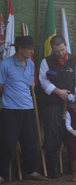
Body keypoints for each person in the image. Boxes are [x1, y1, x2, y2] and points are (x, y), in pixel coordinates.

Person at [0, 36, 47, 183]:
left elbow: (29, 86)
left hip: (28, 109)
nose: (32, 52)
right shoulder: (5, 65)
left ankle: (30, 171)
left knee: (30, 142)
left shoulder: (31, 64)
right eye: (30, 49)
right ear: (21, 49)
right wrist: (9, 100)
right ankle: (0, 173)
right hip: (10, 110)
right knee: (7, 143)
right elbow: (0, 87)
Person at [39, 35, 76, 178]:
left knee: (72, 135)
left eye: (62, 50)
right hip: (53, 104)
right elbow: (43, 81)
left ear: (66, 45)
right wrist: (57, 91)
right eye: (57, 51)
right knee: (52, 133)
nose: (60, 53)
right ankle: (53, 168)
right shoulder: (46, 61)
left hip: (72, 105)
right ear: (52, 49)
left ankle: (72, 168)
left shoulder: (75, 60)